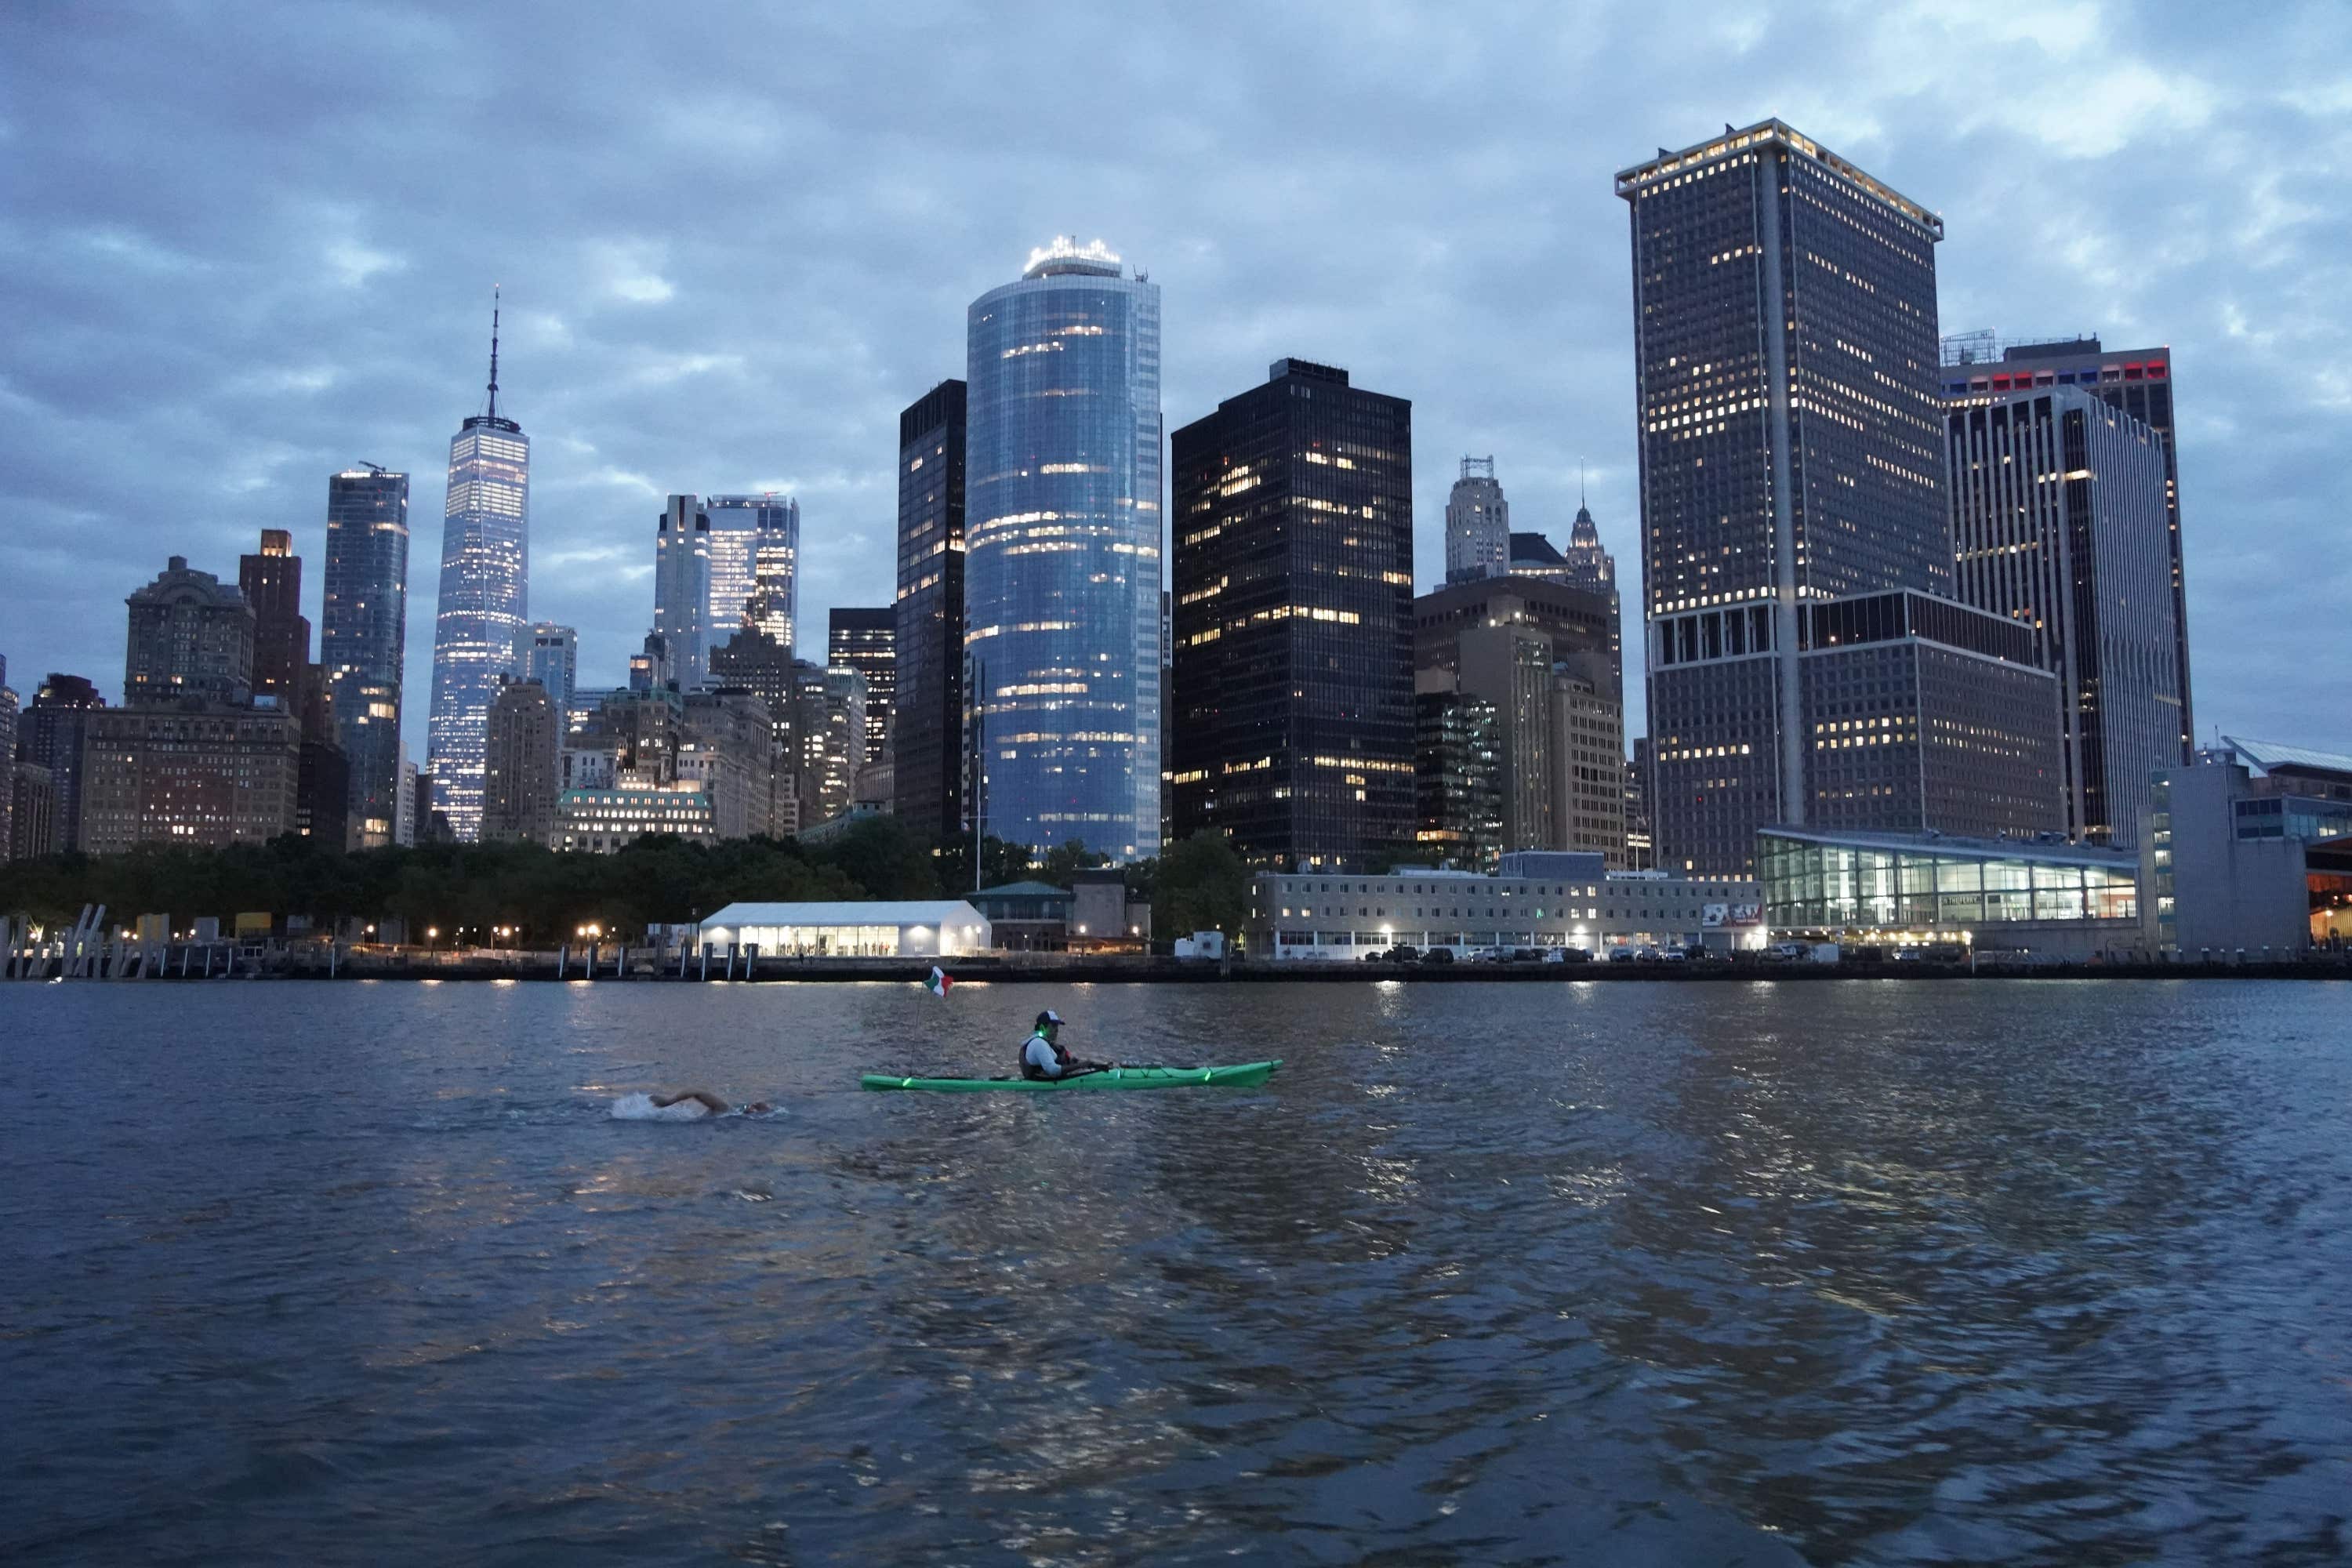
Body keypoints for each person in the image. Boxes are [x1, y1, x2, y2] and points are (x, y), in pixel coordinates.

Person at [1018, 1010, 1109, 1081]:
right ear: (1042, 1027)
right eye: (1053, 1026)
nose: (1057, 1030)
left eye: (1057, 1026)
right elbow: (1053, 1071)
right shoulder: (1039, 1043)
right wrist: (1080, 1066)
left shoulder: (1045, 1043)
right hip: (1043, 1086)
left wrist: (1081, 1063)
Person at [649, 1090, 774, 1116]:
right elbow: (696, 1091)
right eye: (754, 1105)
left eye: (756, 1108)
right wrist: (668, 1102)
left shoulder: (726, 1113)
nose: (752, 1108)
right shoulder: (725, 1109)